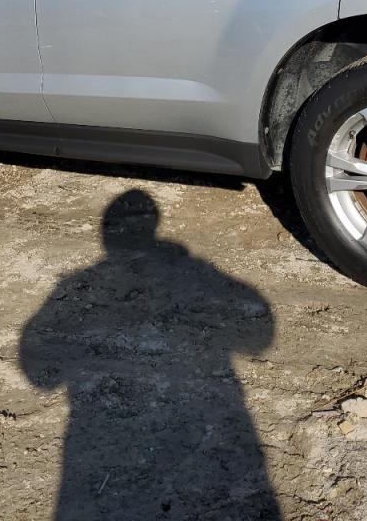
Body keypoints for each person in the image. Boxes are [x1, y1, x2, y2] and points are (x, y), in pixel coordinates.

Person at [20, 189, 281, 520]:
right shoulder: (199, 273)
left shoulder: (76, 285)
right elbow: (261, 336)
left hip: (103, 463)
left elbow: (37, 372)